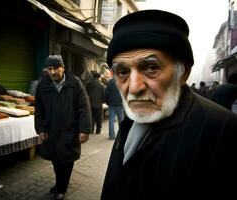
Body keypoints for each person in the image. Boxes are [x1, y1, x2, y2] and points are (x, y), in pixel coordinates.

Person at [101, 10, 237, 200]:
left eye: (151, 68)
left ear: (183, 74)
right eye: (122, 72)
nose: (133, 87)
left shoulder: (226, 131)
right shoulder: (131, 121)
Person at [34, 55, 92, 200]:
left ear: (63, 68)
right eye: (50, 69)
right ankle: (59, 183)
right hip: (51, 130)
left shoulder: (75, 83)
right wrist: (40, 129)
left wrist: (84, 129)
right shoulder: (42, 85)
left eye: (56, 68)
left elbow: (84, 107)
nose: (53, 72)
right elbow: (38, 109)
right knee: (55, 159)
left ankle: (62, 189)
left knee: (66, 160)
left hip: (69, 130)